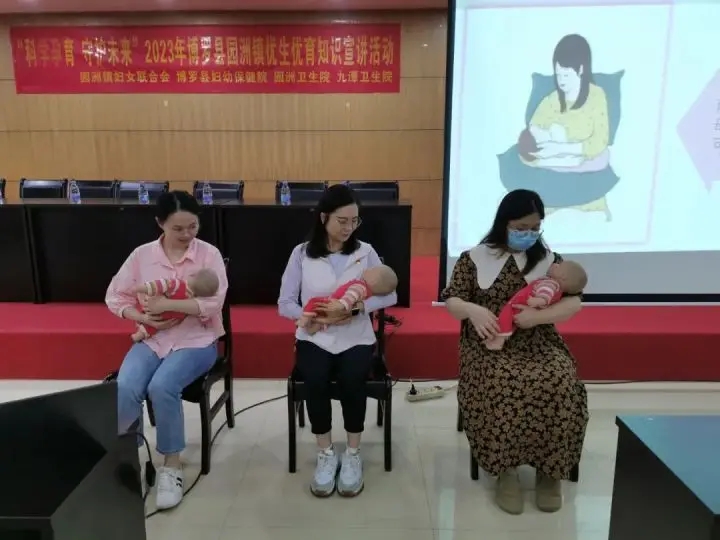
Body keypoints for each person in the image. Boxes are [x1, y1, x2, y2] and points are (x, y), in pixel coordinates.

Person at [441, 189, 588, 515]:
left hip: (538, 341)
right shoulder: (474, 258)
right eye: (521, 227)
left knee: (560, 378)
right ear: (504, 223)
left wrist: (537, 317)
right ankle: (505, 470)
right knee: (504, 381)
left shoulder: (550, 262)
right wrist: (473, 311)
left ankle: (551, 471)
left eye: (535, 228)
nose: (529, 234)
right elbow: (452, 300)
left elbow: (575, 302)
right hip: (488, 342)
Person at [105, 190, 227, 510]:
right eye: (178, 228)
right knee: (126, 386)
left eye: (193, 227)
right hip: (152, 338)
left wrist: (167, 305)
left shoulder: (209, 255)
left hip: (197, 340)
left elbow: (213, 303)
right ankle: (128, 460)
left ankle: (171, 466)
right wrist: (142, 316)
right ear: (160, 223)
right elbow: (115, 296)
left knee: (162, 386)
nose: (187, 234)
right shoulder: (142, 256)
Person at [278, 184, 397, 498]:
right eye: (342, 221)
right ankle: (326, 453)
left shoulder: (365, 252)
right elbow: (285, 303)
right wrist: (315, 317)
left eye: (354, 221)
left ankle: (353, 453)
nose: (348, 228)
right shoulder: (301, 253)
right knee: (315, 378)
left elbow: (390, 294)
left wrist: (354, 309)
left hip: (356, 336)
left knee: (352, 379)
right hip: (314, 336)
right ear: (323, 218)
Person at [485, 259, 587, 350]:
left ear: (563, 276)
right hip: (524, 310)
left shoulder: (550, 284)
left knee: (505, 316)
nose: (555, 264)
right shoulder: (557, 288)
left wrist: (537, 301)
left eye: (559, 266)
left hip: (522, 303)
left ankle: (499, 340)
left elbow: (545, 295)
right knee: (509, 322)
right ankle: (500, 336)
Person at [130, 268, 220, 342]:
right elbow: (203, 313)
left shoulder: (178, 284)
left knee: (151, 313)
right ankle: (141, 333)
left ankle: (140, 330)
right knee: (154, 325)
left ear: (192, 276)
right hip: (171, 318)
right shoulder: (192, 299)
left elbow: (159, 285)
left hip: (155, 310)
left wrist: (140, 288)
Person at [297, 264, 398, 329]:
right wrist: (347, 313)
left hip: (341, 309)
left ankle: (309, 320)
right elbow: (287, 302)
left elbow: (392, 297)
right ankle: (318, 324)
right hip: (342, 314)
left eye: (371, 270)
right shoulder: (367, 291)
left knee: (314, 302)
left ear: (373, 281)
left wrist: (349, 309)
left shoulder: (360, 286)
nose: (367, 269)